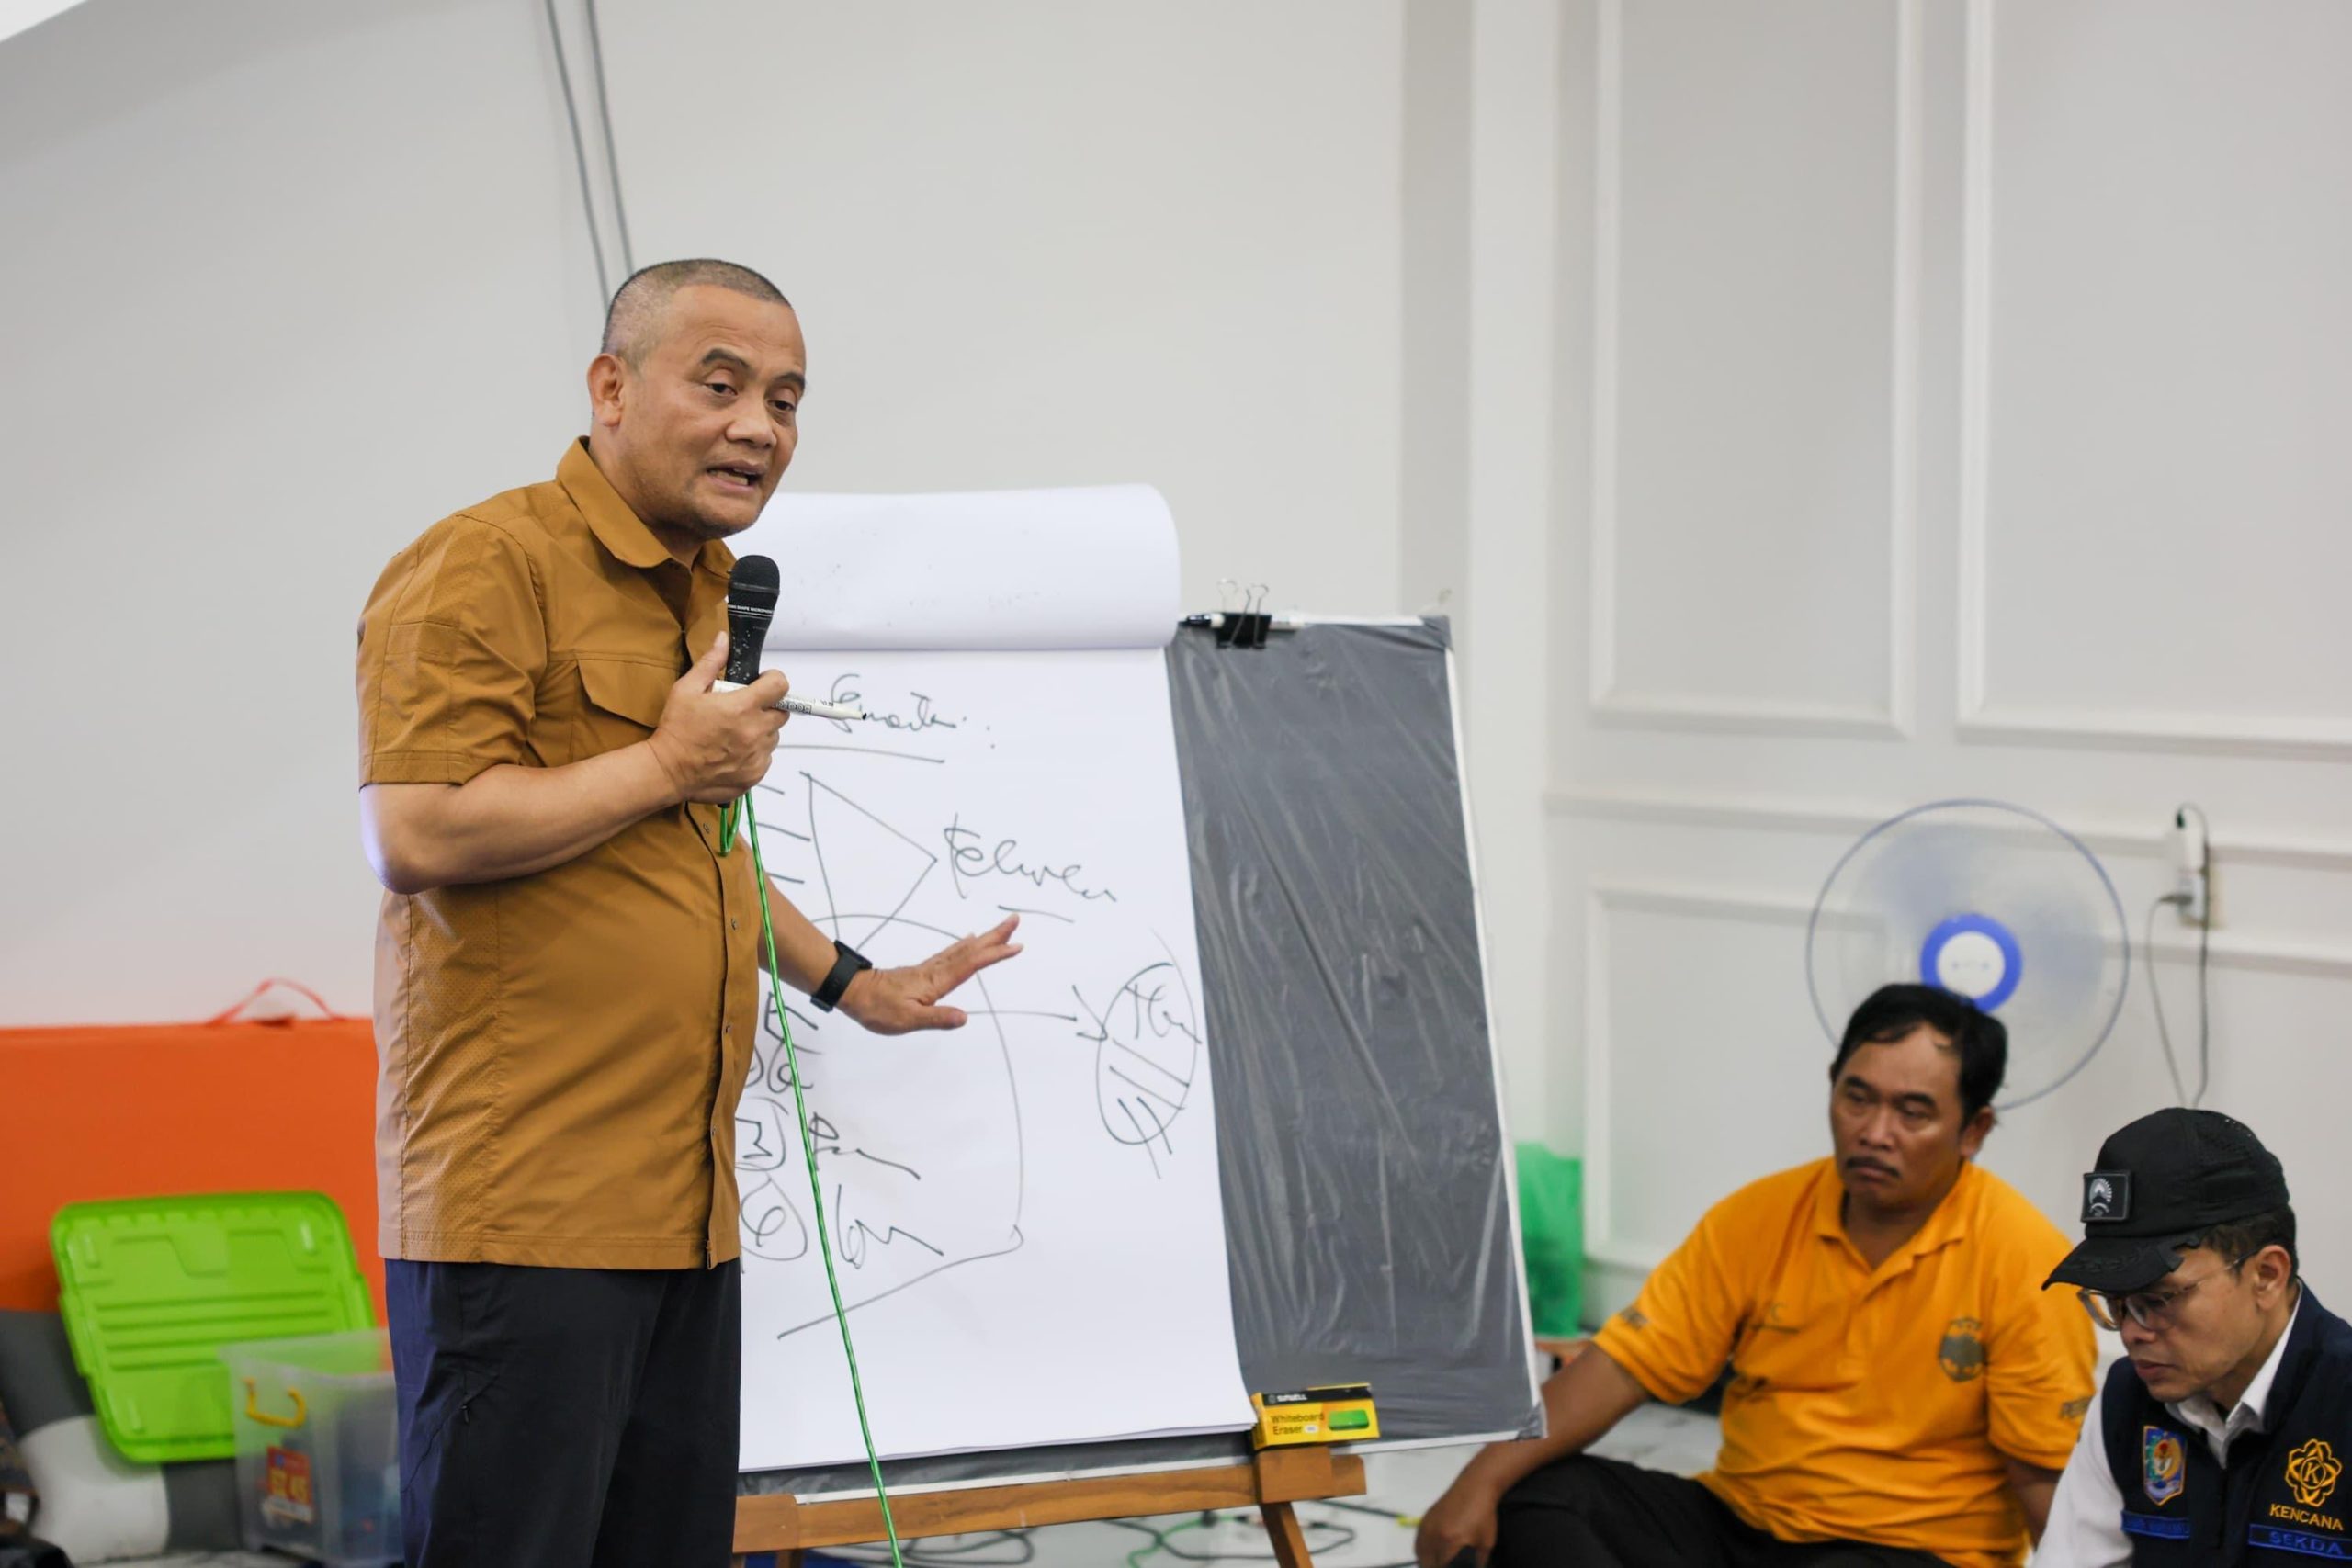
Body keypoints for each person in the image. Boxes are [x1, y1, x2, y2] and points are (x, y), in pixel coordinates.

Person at [355, 258, 1023, 1568]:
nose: (758, 426)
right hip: (529, 1210)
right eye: (719, 386)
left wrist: (853, 983)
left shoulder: (712, 587)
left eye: (785, 398)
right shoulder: (483, 563)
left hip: (686, 1211)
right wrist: (666, 762)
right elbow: (417, 830)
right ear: (610, 388)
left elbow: (687, 849)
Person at [1417, 985, 2095, 1568]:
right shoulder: (1760, 1216)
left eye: (1912, 1112)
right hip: (1741, 1523)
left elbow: (2044, 1477)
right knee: (1534, 1498)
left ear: (1974, 1130)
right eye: (1857, 1097)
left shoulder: (2024, 1258)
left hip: (1907, 1551)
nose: (1874, 1131)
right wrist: (1477, 1482)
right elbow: (1623, 1365)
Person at [2031, 1109, 2345, 1566]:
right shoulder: (2126, 1401)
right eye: (2116, 1303)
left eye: (2158, 1300)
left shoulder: (2341, 1402)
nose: (2131, 1332)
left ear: (2266, 1275)